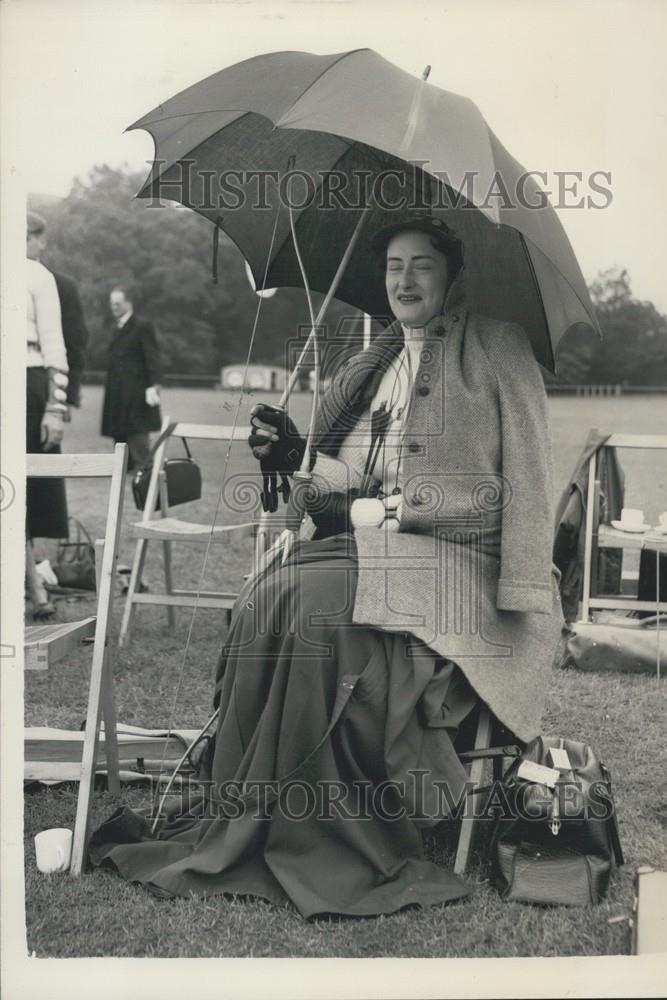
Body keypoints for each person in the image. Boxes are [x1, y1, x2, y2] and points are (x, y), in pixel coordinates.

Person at [90, 215, 564, 918]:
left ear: (453, 276)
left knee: (316, 605)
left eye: (423, 266)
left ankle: (321, 829)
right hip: (377, 553)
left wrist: (376, 515)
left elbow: (515, 489)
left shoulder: (495, 347)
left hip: (464, 568)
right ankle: (252, 804)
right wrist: (294, 459)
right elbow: (349, 479)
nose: (405, 280)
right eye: (394, 266)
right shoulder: (370, 362)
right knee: (269, 594)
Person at [25, 216, 70, 619]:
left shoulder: (39, 276)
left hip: (29, 380)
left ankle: (36, 585)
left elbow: (55, 341)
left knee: (26, 487)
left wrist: (55, 406)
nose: (39, 244)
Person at [26, 211, 89, 412]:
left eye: (27, 238)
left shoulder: (62, 286)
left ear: (41, 241)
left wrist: (64, 397)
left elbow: (74, 342)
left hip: (41, 383)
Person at [101, 287, 162, 472]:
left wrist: (155, 384)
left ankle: (145, 468)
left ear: (129, 303)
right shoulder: (115, 327)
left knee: (137, 431)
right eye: (112, 304)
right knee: (119, 431)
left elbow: (152, 357)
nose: (114, 308)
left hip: (136, 390)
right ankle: (124, 468)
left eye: (118, 304)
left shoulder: (142, 326)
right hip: (117, 390)